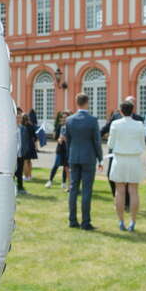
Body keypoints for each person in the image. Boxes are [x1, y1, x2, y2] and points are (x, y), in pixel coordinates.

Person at [65, 93, 102, 231]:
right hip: (88, 157)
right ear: (87, 103)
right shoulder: (92, 120)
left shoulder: (70, 120)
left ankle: (72, 220)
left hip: (74, 156)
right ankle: (85, 222)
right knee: (87, 190)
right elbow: (97, 141)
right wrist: (100, 157)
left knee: (73, 189)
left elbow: (68, 141)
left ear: (77, 103)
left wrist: (70, 156)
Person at [108, 101, 145, 232]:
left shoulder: (116, 124)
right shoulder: (139, 124)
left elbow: (110, 144)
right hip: (133, 158)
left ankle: (121, 221)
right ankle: (132, 222)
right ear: (132, 110)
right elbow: (142, 143)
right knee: (134, 191)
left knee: (120, 191)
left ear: (121, 111)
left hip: (120, 158)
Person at [46, 110, 70, 189]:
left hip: (68, 149)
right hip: (60, 148)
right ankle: (50, 181)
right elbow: (55, 137)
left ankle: (63, 183)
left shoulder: (70, 126)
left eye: (65, 117)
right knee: (56, 165)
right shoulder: (59, 126)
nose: (64, 119)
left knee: (66, 166)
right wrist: (58, 138)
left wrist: (66, 139)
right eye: (62, 117)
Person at [21, 113, 38, 181]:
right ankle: (30, 176)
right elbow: (35, 137)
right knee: (29, 161)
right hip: (31, 145)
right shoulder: (31, 125)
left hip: (26, 145)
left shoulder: (23, 126)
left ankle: (25, 176)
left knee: (25, 161)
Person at [14, 112, 27, 196]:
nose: (19, 120)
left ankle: (20, 187)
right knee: (13, 171)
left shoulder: (23, 128)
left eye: (20, 118)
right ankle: (12, 187)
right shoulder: (12, 128)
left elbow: (25, 141)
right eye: (17, 118)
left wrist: (24, 151)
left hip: (21, 153)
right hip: (13, 154)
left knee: (20, 171)